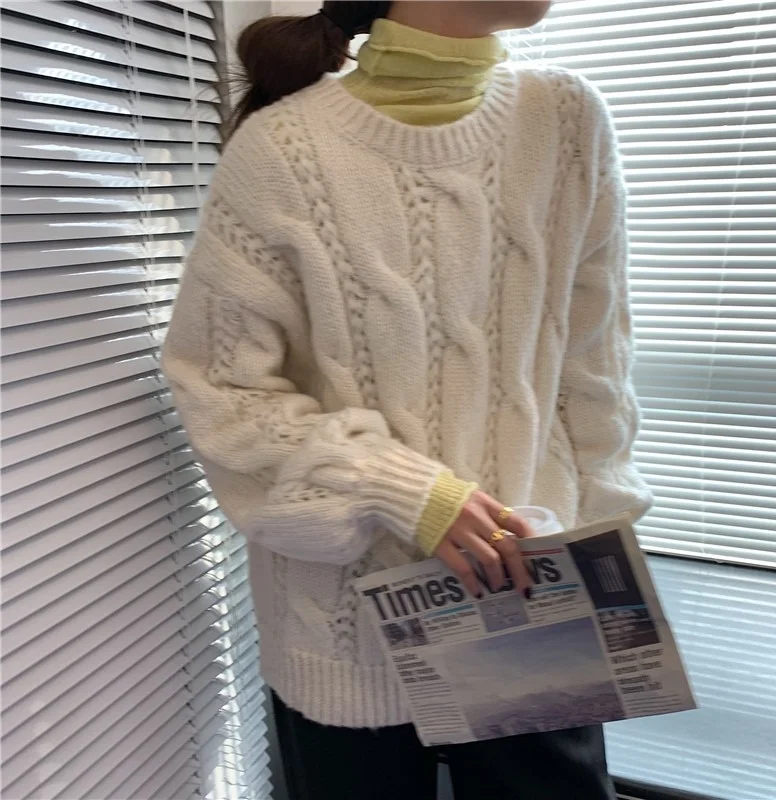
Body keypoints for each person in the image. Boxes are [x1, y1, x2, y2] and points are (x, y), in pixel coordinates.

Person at [161, 1, 653, 797]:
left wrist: (604, 545)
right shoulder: (280, 149)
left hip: (533, 590)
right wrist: (402, 491)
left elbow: (594, 360)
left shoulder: (566, 121)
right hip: (341, 619)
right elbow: (222, 390)